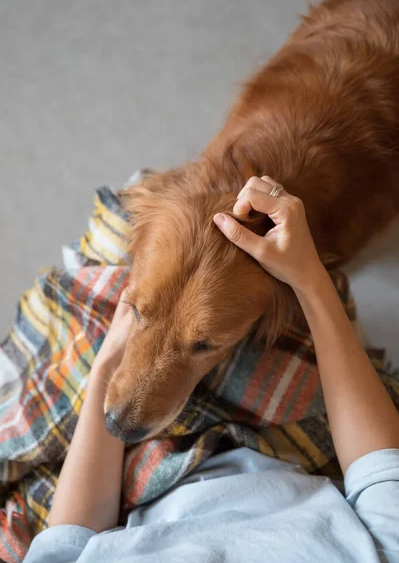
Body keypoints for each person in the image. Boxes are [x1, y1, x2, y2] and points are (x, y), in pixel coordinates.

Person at [24, 176, 399, 563]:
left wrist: (104, 367)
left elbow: (66, 544)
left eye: (201, 344)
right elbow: (385, 476)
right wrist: (311, 282)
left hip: (128, 482)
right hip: (304, 451)